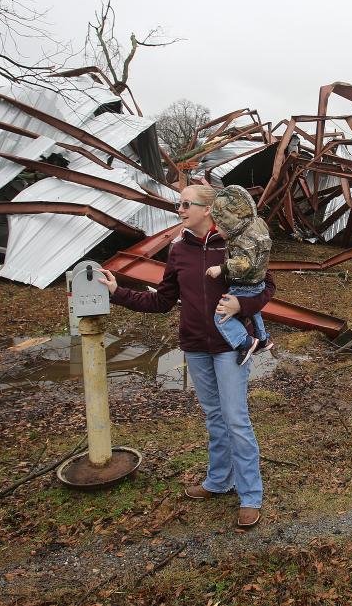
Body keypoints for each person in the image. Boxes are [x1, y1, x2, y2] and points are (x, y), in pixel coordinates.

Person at [98, 184, 272, 529]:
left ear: (208, 209)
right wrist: (118, 293)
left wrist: (242, 305)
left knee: (236, 418)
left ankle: (250, 494)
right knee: (214, 416)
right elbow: (162, 301)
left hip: (229, 346)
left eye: (185, 204)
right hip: (195, 345)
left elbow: (266, 288)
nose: (179, 210)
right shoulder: (178, 250)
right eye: (179, 204)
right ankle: (220, 481)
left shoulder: (236, 242)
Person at [205, 185, 273, 365]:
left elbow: (244, 263)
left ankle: (245, 342)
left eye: (219, 225)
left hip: (244, 284)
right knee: (255, 312)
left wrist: (222, 268)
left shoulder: (244, 239)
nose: (217, 230)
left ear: (230, 223)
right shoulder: (256, 225)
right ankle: (263, 339)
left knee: (221, 316)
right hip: (258, 282)